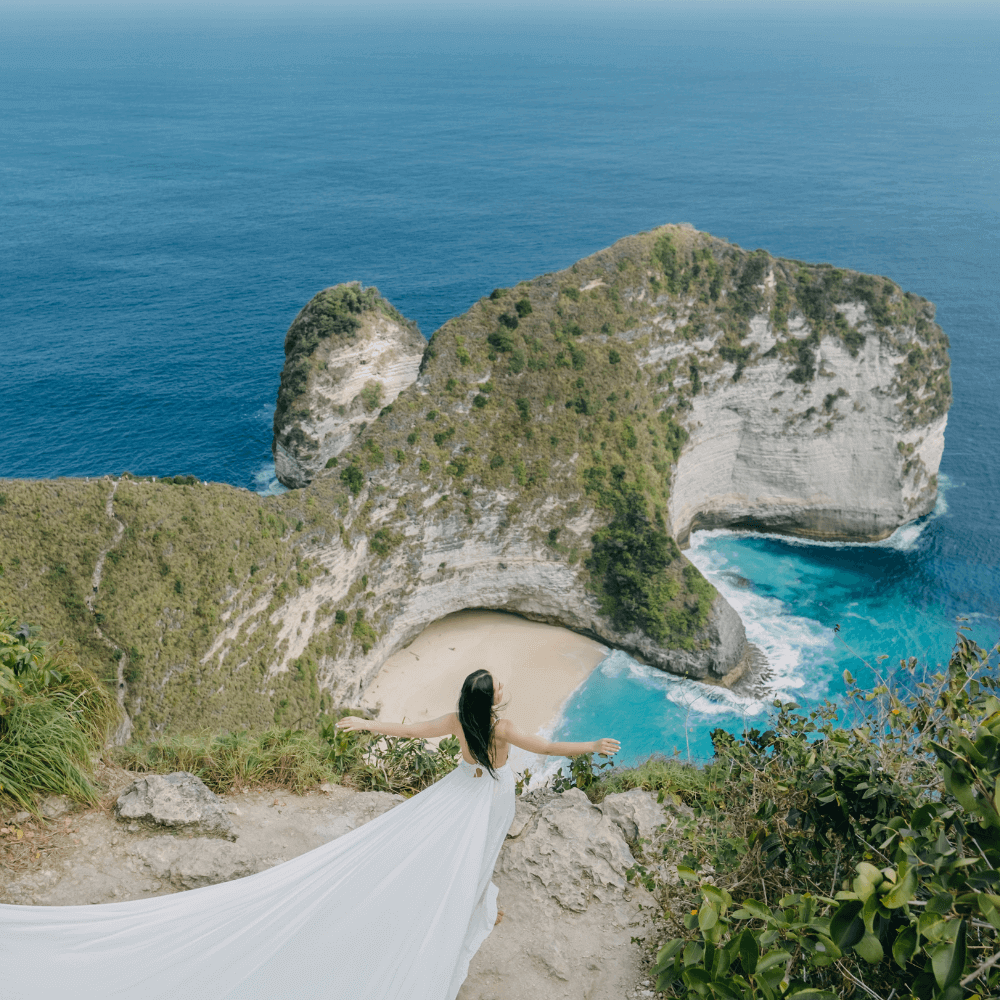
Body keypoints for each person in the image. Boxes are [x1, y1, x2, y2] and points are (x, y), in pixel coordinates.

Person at [0, 668, 619, 1000]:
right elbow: (547, 745)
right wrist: (591, 745)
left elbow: (408, 734)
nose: (505, 689)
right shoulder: (503, 729)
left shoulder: (460, 717)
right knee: (477, 854)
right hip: (485, 798)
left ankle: (473, 897)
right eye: (499, 687)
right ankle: (471, 904)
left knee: (455, 857)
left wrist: (362, 721)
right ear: (493, 701)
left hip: (456, 793)